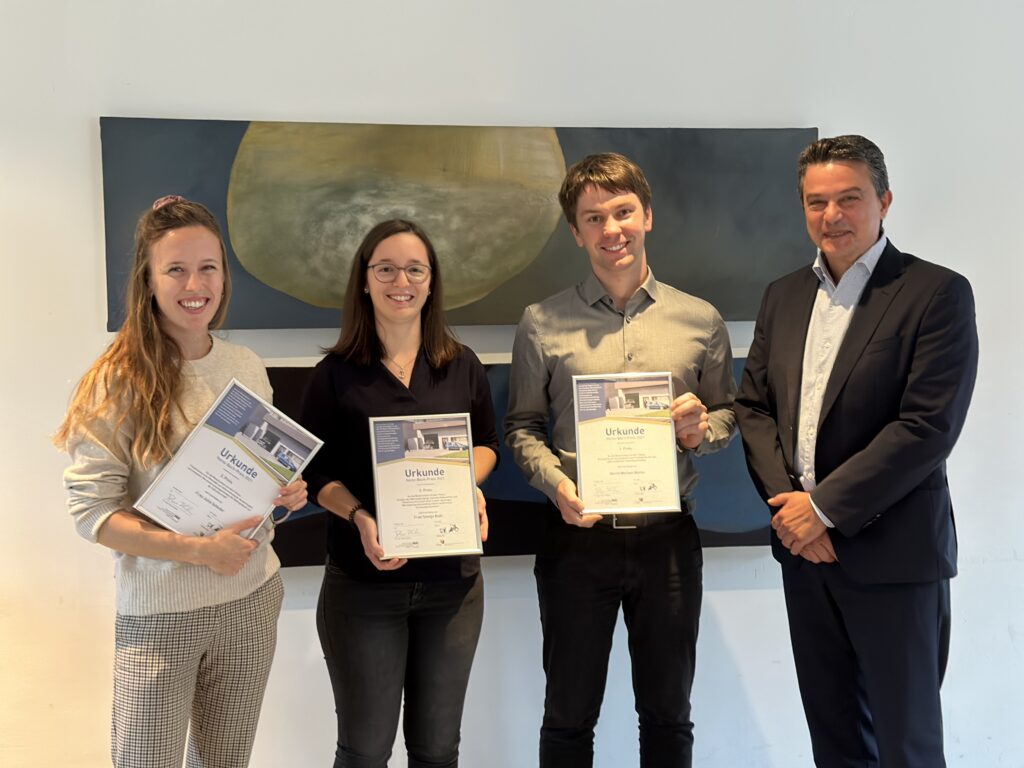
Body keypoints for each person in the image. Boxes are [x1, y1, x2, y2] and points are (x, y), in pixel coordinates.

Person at [734, 135, 979, 766]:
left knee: (907, 744)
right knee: (835, 741)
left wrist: (822, 511)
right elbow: (755, 409)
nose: (832, 215)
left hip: (894, 556)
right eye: (817, 202)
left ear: (885, 200)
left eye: (849, 198)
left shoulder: (936, 293)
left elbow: (926, 427)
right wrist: (794, 514)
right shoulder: (783, 296)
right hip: (807, 560)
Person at [55, 195, 308, 768]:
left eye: (208, 267)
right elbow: (92, 515)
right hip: (162, 614)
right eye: (175, 269)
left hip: (251, 598)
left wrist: (285, 494)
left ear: (224, 274)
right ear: (147, 280)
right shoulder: (115, 379)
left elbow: (256, 490)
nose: (195, 284)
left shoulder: (245, 364)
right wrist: (198, 551)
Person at [505, 153, 737, 768]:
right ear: (576, 232)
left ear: (647, 216)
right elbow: (523, 426)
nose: (613, 229)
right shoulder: (541, 323)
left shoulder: (701, 320)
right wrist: (556, 484)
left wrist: (698, 432)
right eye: (594, 217)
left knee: (667, 717)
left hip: (668, 540)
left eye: (624, 211)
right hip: (575, 540)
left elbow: (727, 415)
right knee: (567, 718)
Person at [299, 219, 499, 768]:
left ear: (431, 282)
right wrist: (360, 515)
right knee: (365, 752)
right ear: (364, 281)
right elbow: (315, 477)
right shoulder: (334, 375)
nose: (400, 281)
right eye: (385, 268)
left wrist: (465, 483)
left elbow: (486, 446)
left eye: (415, 269)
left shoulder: (462, 365)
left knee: (437, 752)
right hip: (364, 589)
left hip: (452, 588)